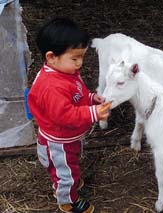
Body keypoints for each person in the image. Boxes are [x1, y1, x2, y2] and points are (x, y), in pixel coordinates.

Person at [28, 17, 110, 213]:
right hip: (59, 142)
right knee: (65, 173)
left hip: (68, 137)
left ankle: (67, 180)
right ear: (51, 57)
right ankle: (67, 199)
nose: (80, 63)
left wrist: (91, 99)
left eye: (82, 57)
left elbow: (77, 95)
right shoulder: (51, 87)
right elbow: (65, 115)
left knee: (68, 166)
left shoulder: (65, 72)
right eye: (75, 58)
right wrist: (93, 113)